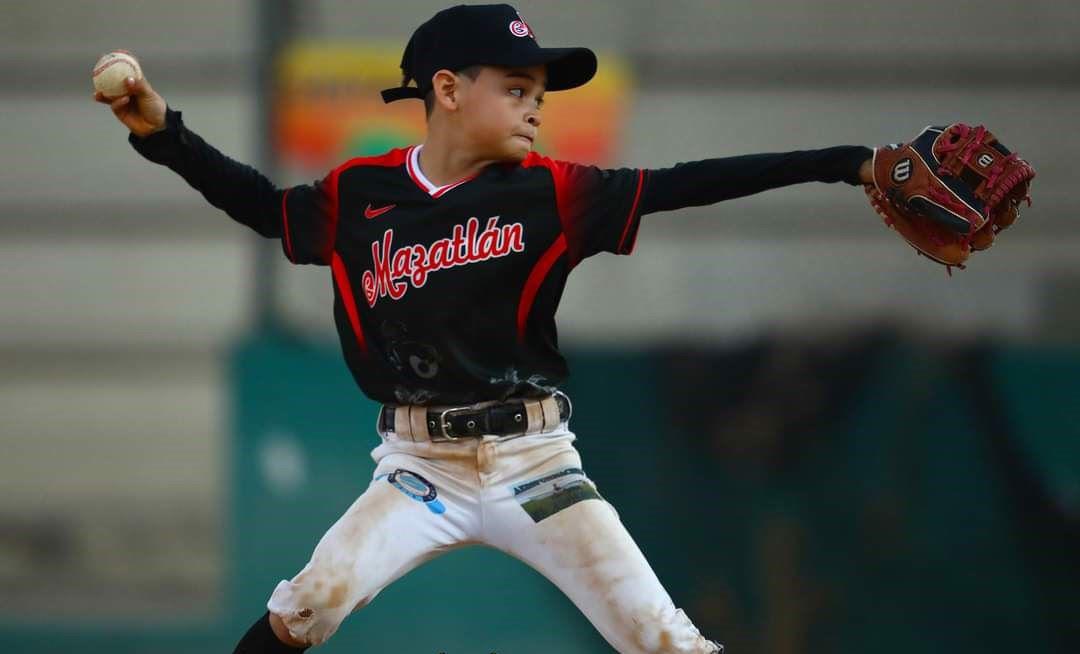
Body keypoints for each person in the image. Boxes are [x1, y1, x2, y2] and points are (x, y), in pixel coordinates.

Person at [95, 4, 874, 652]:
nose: (537, 104)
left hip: (534, 465)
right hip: (418, 468)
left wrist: (846, 161)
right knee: (308, 606)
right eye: (517, 85)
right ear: (448, 89)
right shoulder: (359, 192)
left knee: (664, 641)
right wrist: (163, 135)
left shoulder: (554, 193)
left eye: (540, 89)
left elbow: (687, 185)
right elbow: (265, 208)